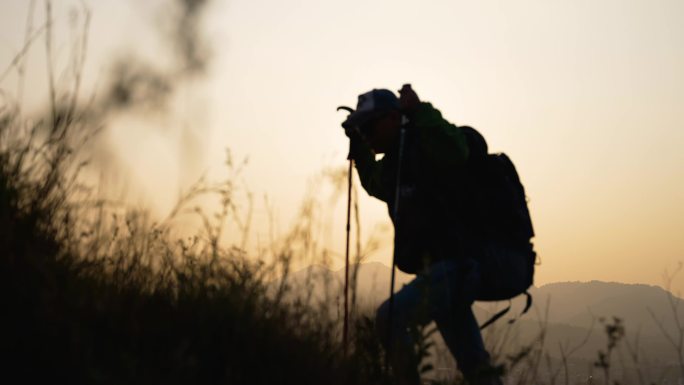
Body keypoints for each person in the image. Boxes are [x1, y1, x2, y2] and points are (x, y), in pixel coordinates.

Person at [340, 85, 503, 385]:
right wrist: (361, 150)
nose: (367, 134)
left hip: (456, 265)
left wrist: (419, 109)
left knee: (388, 320)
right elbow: (377, 184)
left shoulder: (425, 145)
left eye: (369, 126)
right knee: (477, 369)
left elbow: (457, 150)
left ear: (392, 118)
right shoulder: (394, 164)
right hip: (442, 271)